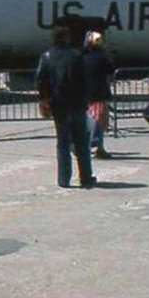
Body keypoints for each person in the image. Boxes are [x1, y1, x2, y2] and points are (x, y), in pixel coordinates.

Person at [36, 24, 96, 189]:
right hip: (77, 103)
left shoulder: (47, 56)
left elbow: (41, 80)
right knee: (81, 142)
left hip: (58, 104)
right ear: (66, 37)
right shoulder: (77, 55)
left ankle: (64, 179)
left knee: (62, 142)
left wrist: (44, 101)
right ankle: (86, 177)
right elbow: (85, 80)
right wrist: (86, 99)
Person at [83, 31, 114, 159]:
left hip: (85, 93)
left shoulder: (82, 57)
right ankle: (98, 146)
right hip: (99, 93)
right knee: (99, 121)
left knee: (87, 120)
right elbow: (110, 71)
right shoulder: (102, 57)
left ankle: (85, 145)